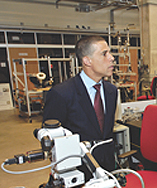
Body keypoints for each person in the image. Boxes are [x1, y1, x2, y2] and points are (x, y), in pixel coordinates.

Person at [43, 35, 118, 174]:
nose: (112, 58)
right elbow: (51, 139)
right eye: (104, 54)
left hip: (106, 167)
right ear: (87, 61)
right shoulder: (61, 93)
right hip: (77, 168)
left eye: (110, 52)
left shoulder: (111, 91)